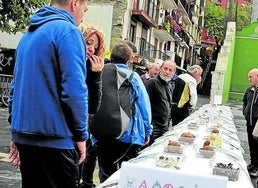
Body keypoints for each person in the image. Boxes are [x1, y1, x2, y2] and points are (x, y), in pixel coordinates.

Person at [8, 1, 91, 187]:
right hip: (55, 140)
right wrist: (81, 135)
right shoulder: (68, 32)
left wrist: (15, 132)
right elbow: (75, 90)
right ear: (74, 3)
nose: (83, 15)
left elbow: (15, 88)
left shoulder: (27, 36)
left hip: (26, 138)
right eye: (84, 9)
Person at [95, 42, 152, 183]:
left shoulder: (99, 72)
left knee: (106, 175)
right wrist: (147, 130)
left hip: (101, 133)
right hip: (127, 135)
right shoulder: (132, 76)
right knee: (128, 177)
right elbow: (144, 105)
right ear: (129, 60)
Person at [78, 22, 105, 188]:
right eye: (89, 43)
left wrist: (96, 75)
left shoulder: (89, 68)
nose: (91, 49)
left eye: (95, 47)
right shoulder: (70, 64)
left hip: (80, 134)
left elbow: (93, 107)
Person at [242, 68, 258, 178]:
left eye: (251, 77)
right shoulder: (250, 90)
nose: (249, 79)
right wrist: (245, 112)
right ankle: (253, 163)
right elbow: (244, 101)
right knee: (251, 145)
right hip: (250, 122)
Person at [145, 59, 176, 144]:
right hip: (153, 127)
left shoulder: (169, 84)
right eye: (165, 68)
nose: (167, 72)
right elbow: (143, 104)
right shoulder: (152, 82)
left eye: (170, 70)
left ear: (173, 73)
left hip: (164, 126)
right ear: (160, 69)